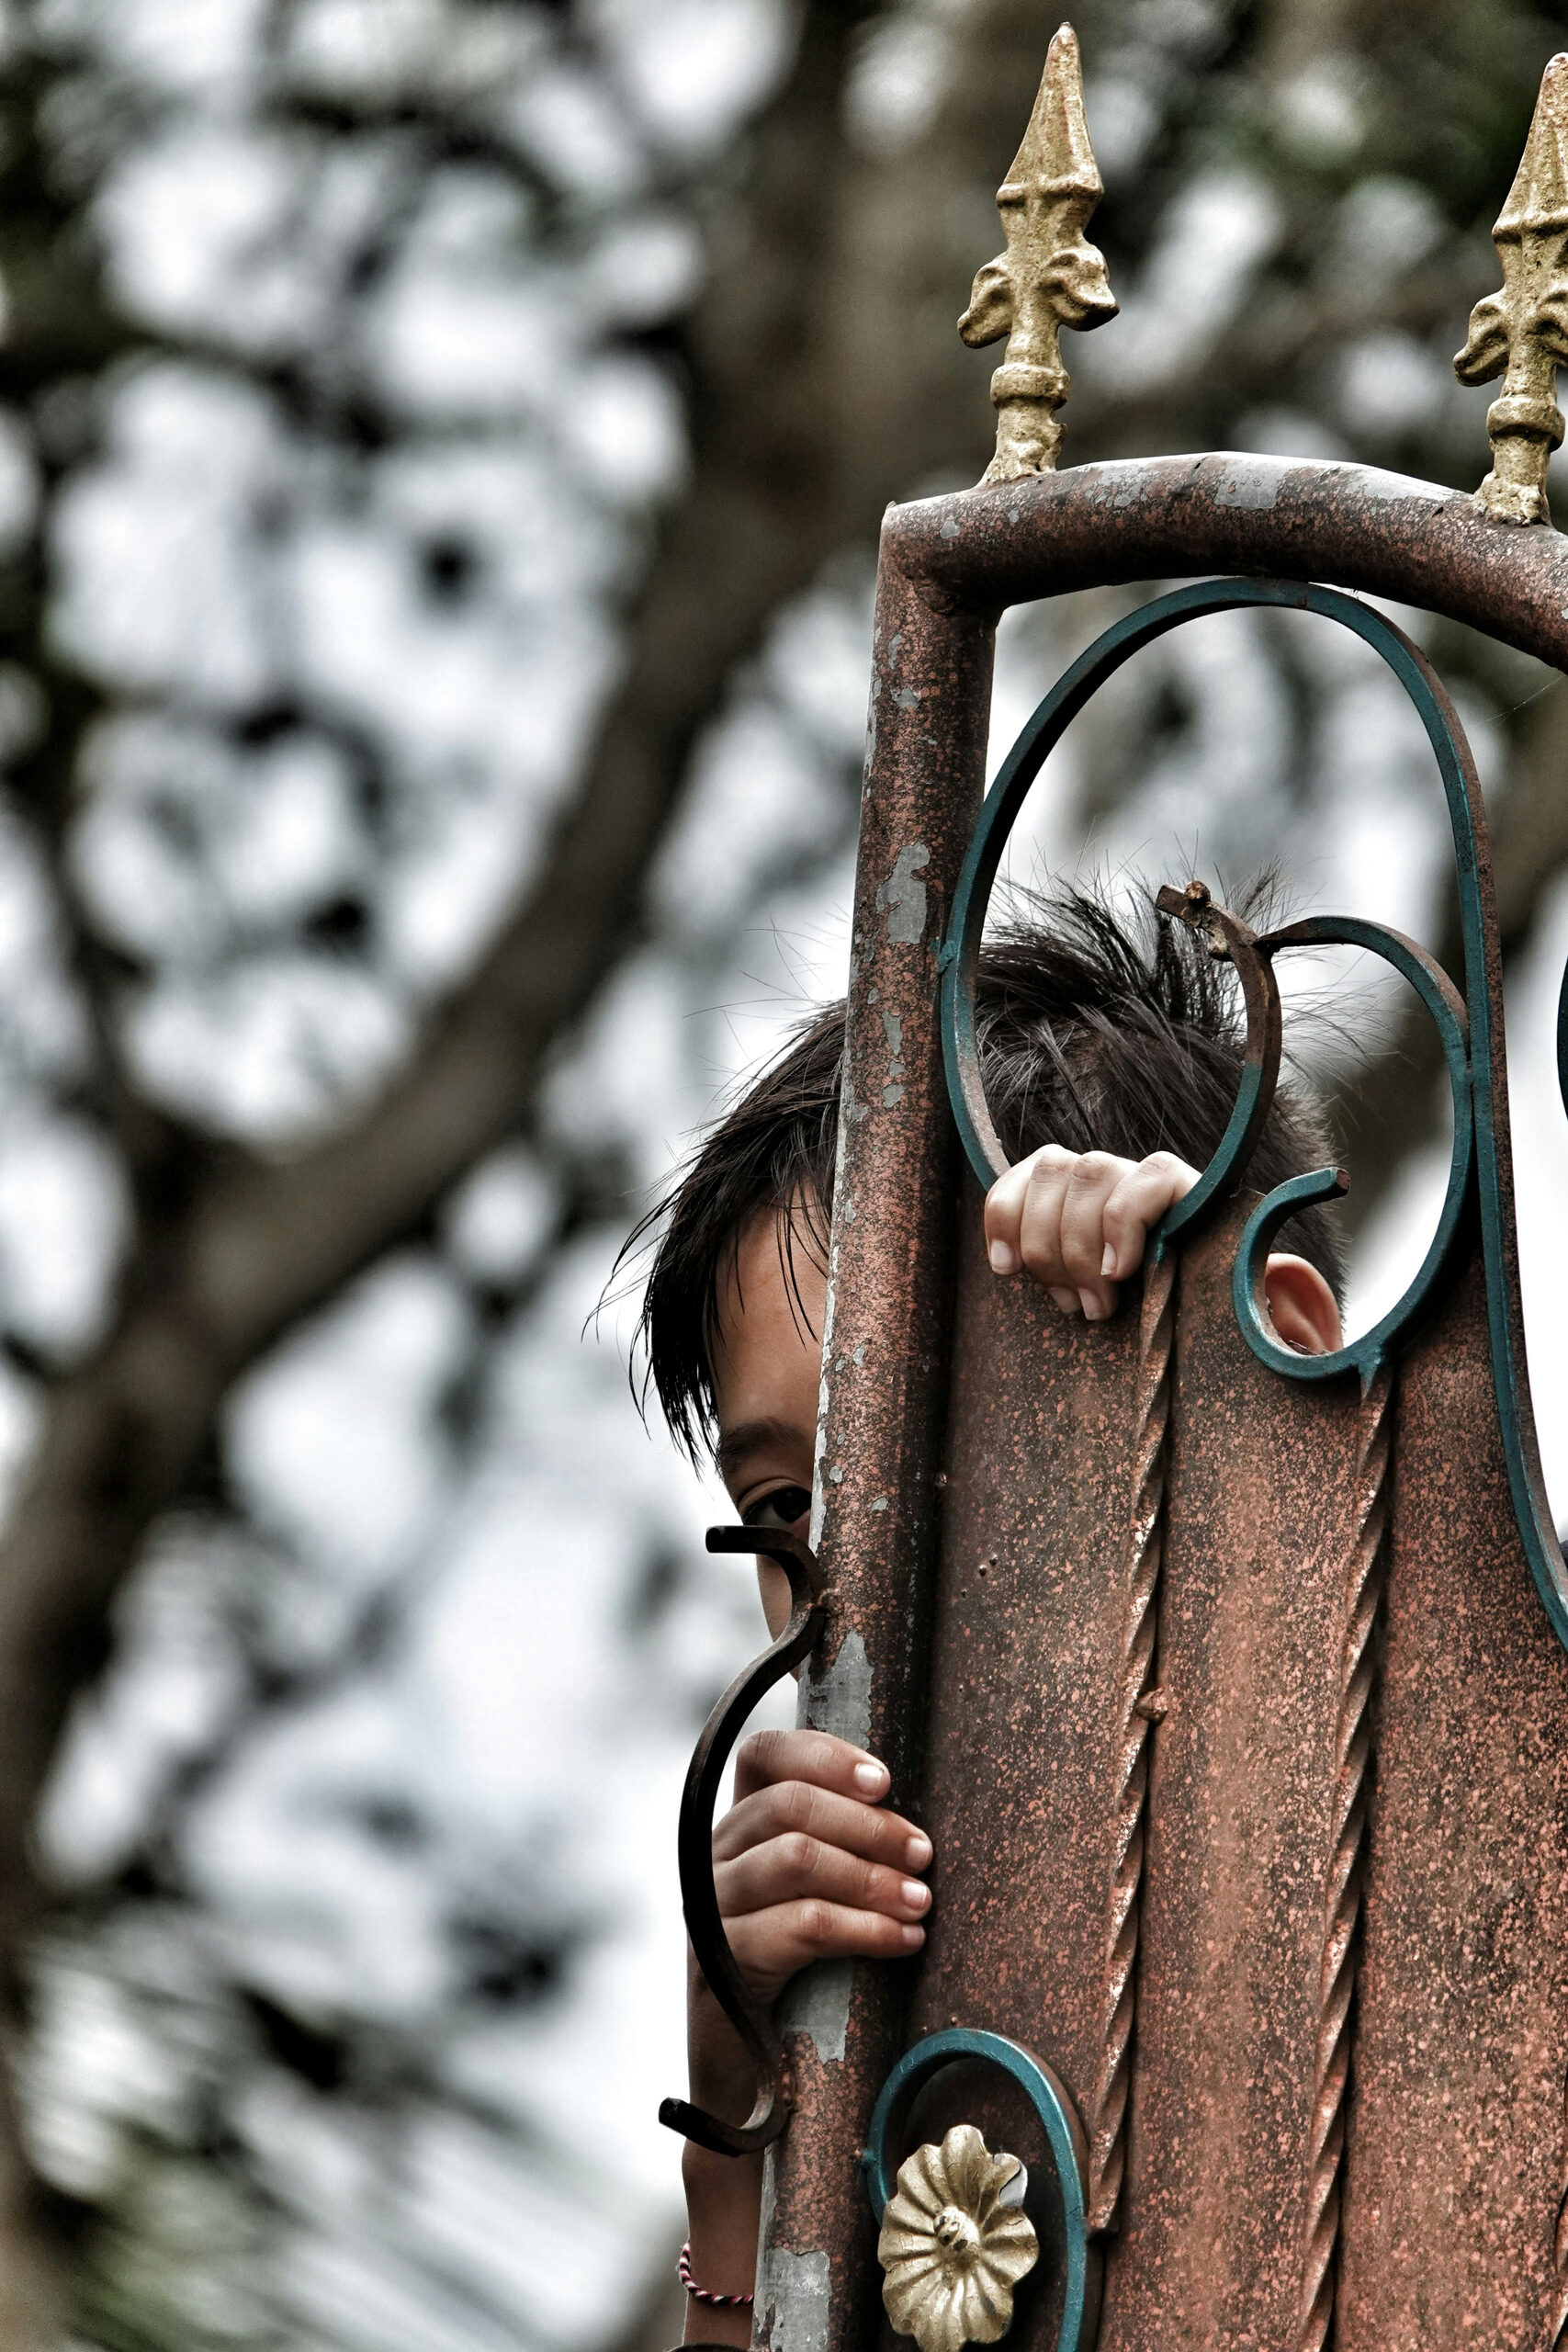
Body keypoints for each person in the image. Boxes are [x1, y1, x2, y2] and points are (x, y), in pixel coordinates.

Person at [633, 887, 1346, 2346]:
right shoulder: (910, 2015)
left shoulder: (1463, 1792)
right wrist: (736, 2133)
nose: (852, 1578)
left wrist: (1212, 1365)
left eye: (963, 1434)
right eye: (784, 1514)